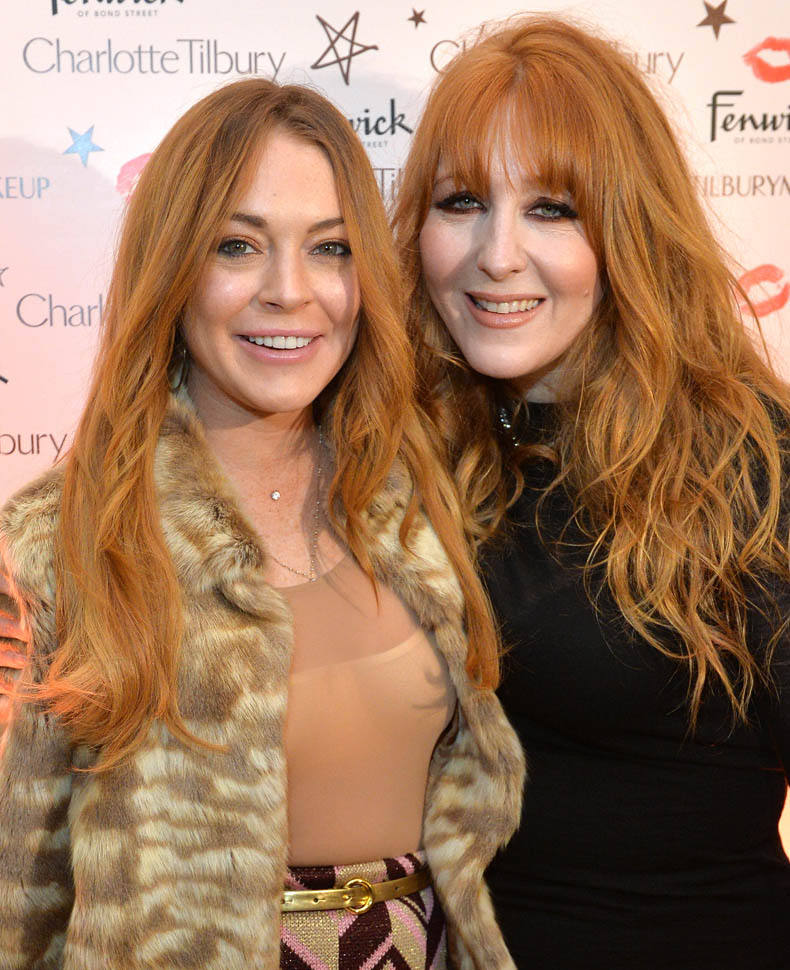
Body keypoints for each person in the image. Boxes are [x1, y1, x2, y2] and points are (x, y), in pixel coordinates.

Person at [0, 79, 525, 970]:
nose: (290, 291)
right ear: (173, 267)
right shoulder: (62, 543)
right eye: (237, 246)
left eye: (330, 248)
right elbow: (22, 902)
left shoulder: (422, 493)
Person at [393, 15, 790, 970]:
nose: (497, 254)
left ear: (629, 229)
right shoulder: (390, 444)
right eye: (461, 201)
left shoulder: (754, 466)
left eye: (552, 209)